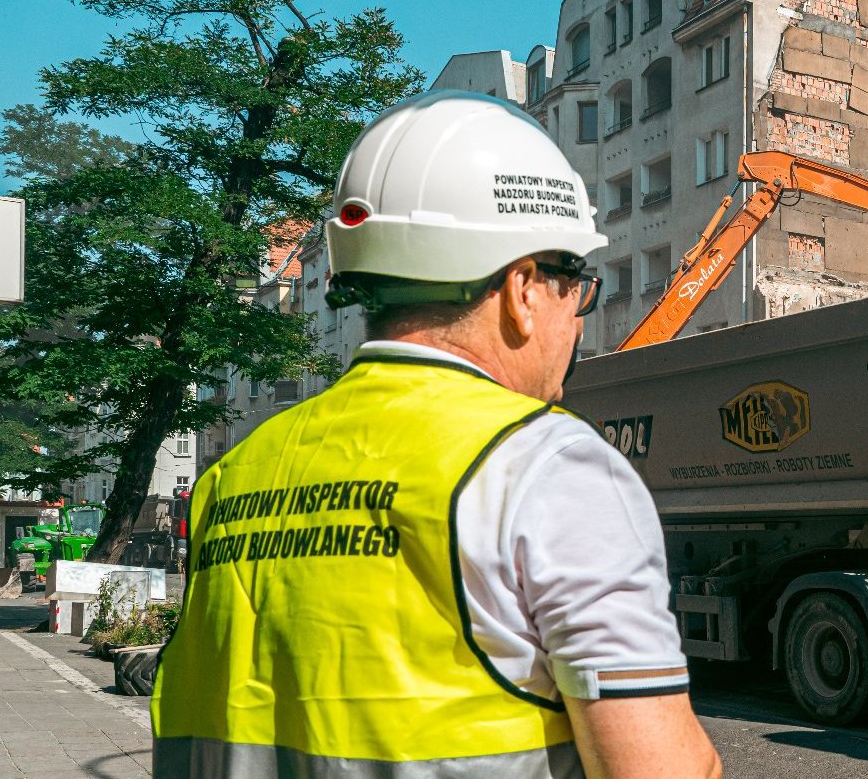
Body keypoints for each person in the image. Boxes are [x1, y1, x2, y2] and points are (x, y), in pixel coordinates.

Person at [152, 91, 721, 779]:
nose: (579, 322)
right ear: (522, 288)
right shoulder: (549, 467)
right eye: (581, 288)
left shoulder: (232, 476)